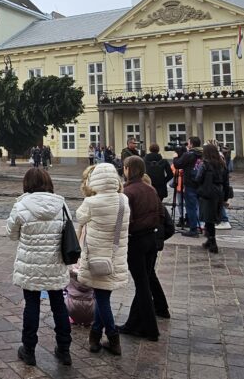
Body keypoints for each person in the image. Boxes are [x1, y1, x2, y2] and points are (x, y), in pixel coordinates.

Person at [6, 168, 72, 367]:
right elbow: (69, 229)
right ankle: (64, 350)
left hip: (31, 264)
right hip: (55, 263)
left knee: (31, 305)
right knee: (58, 305)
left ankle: (29, 350)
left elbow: (11, 234)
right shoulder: (61, 204)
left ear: (27, 184)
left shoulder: (21, 205)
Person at [75, 163, 130, 356]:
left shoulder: (91, 203)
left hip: (96, 259)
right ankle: (95, 336)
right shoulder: (123, 200)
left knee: (101, 298)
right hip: (115, 258)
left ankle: (113, 338)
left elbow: (79, 217)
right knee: (103, 296)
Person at [119, 156, 167, 342]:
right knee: (144, 282)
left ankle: (150, 328)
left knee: (142, 284)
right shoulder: (150, 189)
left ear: (130, 169)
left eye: (124, 168)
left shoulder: (127, 192)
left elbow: (124, 222)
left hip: (136, 241)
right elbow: (161, 214)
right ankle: (133, 323)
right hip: (151, 240)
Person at [197, 144, 230, 254]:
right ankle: (209, 240)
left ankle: (212, 242)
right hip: (219, 192)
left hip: (207, 192)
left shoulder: (205, 164)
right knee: (211, 217)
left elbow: (198, 178)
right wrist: (225, 196)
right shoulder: (222, 164)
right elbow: (226, 181)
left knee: (208, 218)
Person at [175, 137, 204, 237]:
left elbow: (178, 164)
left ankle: (193, 229)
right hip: (202, 183)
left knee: (191, 207)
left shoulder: (189, 154)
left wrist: (176, 156)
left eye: (188, 143)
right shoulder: (204, 153)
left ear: (191, 144)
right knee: (201, 206)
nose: (187, 145)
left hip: (191, 183)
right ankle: (204, 226)